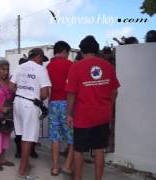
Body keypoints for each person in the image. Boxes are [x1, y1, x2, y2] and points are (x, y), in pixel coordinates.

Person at [66, 35, 120, 180]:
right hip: (102, 115)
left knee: (79, 150)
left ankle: (78, 178)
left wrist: (69, 114)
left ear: (82, 51)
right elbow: (114, 91)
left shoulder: (76, 66)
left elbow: (71, 94)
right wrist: (109, 105)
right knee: (99, 149)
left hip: (83, 116)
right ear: (96, 50)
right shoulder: (108, 66)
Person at [10, 48, 51, 179]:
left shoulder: (20, 67)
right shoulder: (41, 70)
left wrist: (22, 92)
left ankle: (25, 165)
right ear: (37, 56)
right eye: (42, 59)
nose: (42, 63)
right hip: (30, 105)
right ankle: (22, 171)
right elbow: (45, 94)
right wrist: (33, 95)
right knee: (28, 138)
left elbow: (11, 87)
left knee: (22, 135)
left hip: (17, 102)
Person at [46, 41, 73, 176]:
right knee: (72, 136)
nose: (68, 56)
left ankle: (55, 167)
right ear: (63, 51)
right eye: (68, 53)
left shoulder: (49, 66)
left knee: (55, 137)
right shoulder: (69, 65)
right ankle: (67, 165)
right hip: (67, 103)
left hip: (53, 103)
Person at [14, 57, 38, 159]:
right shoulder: (16, 74)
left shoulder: (33, 75)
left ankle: (30, 150)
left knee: (26, 131)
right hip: (22, 104)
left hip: (29, 104)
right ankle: (21, 151)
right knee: (22, 131)